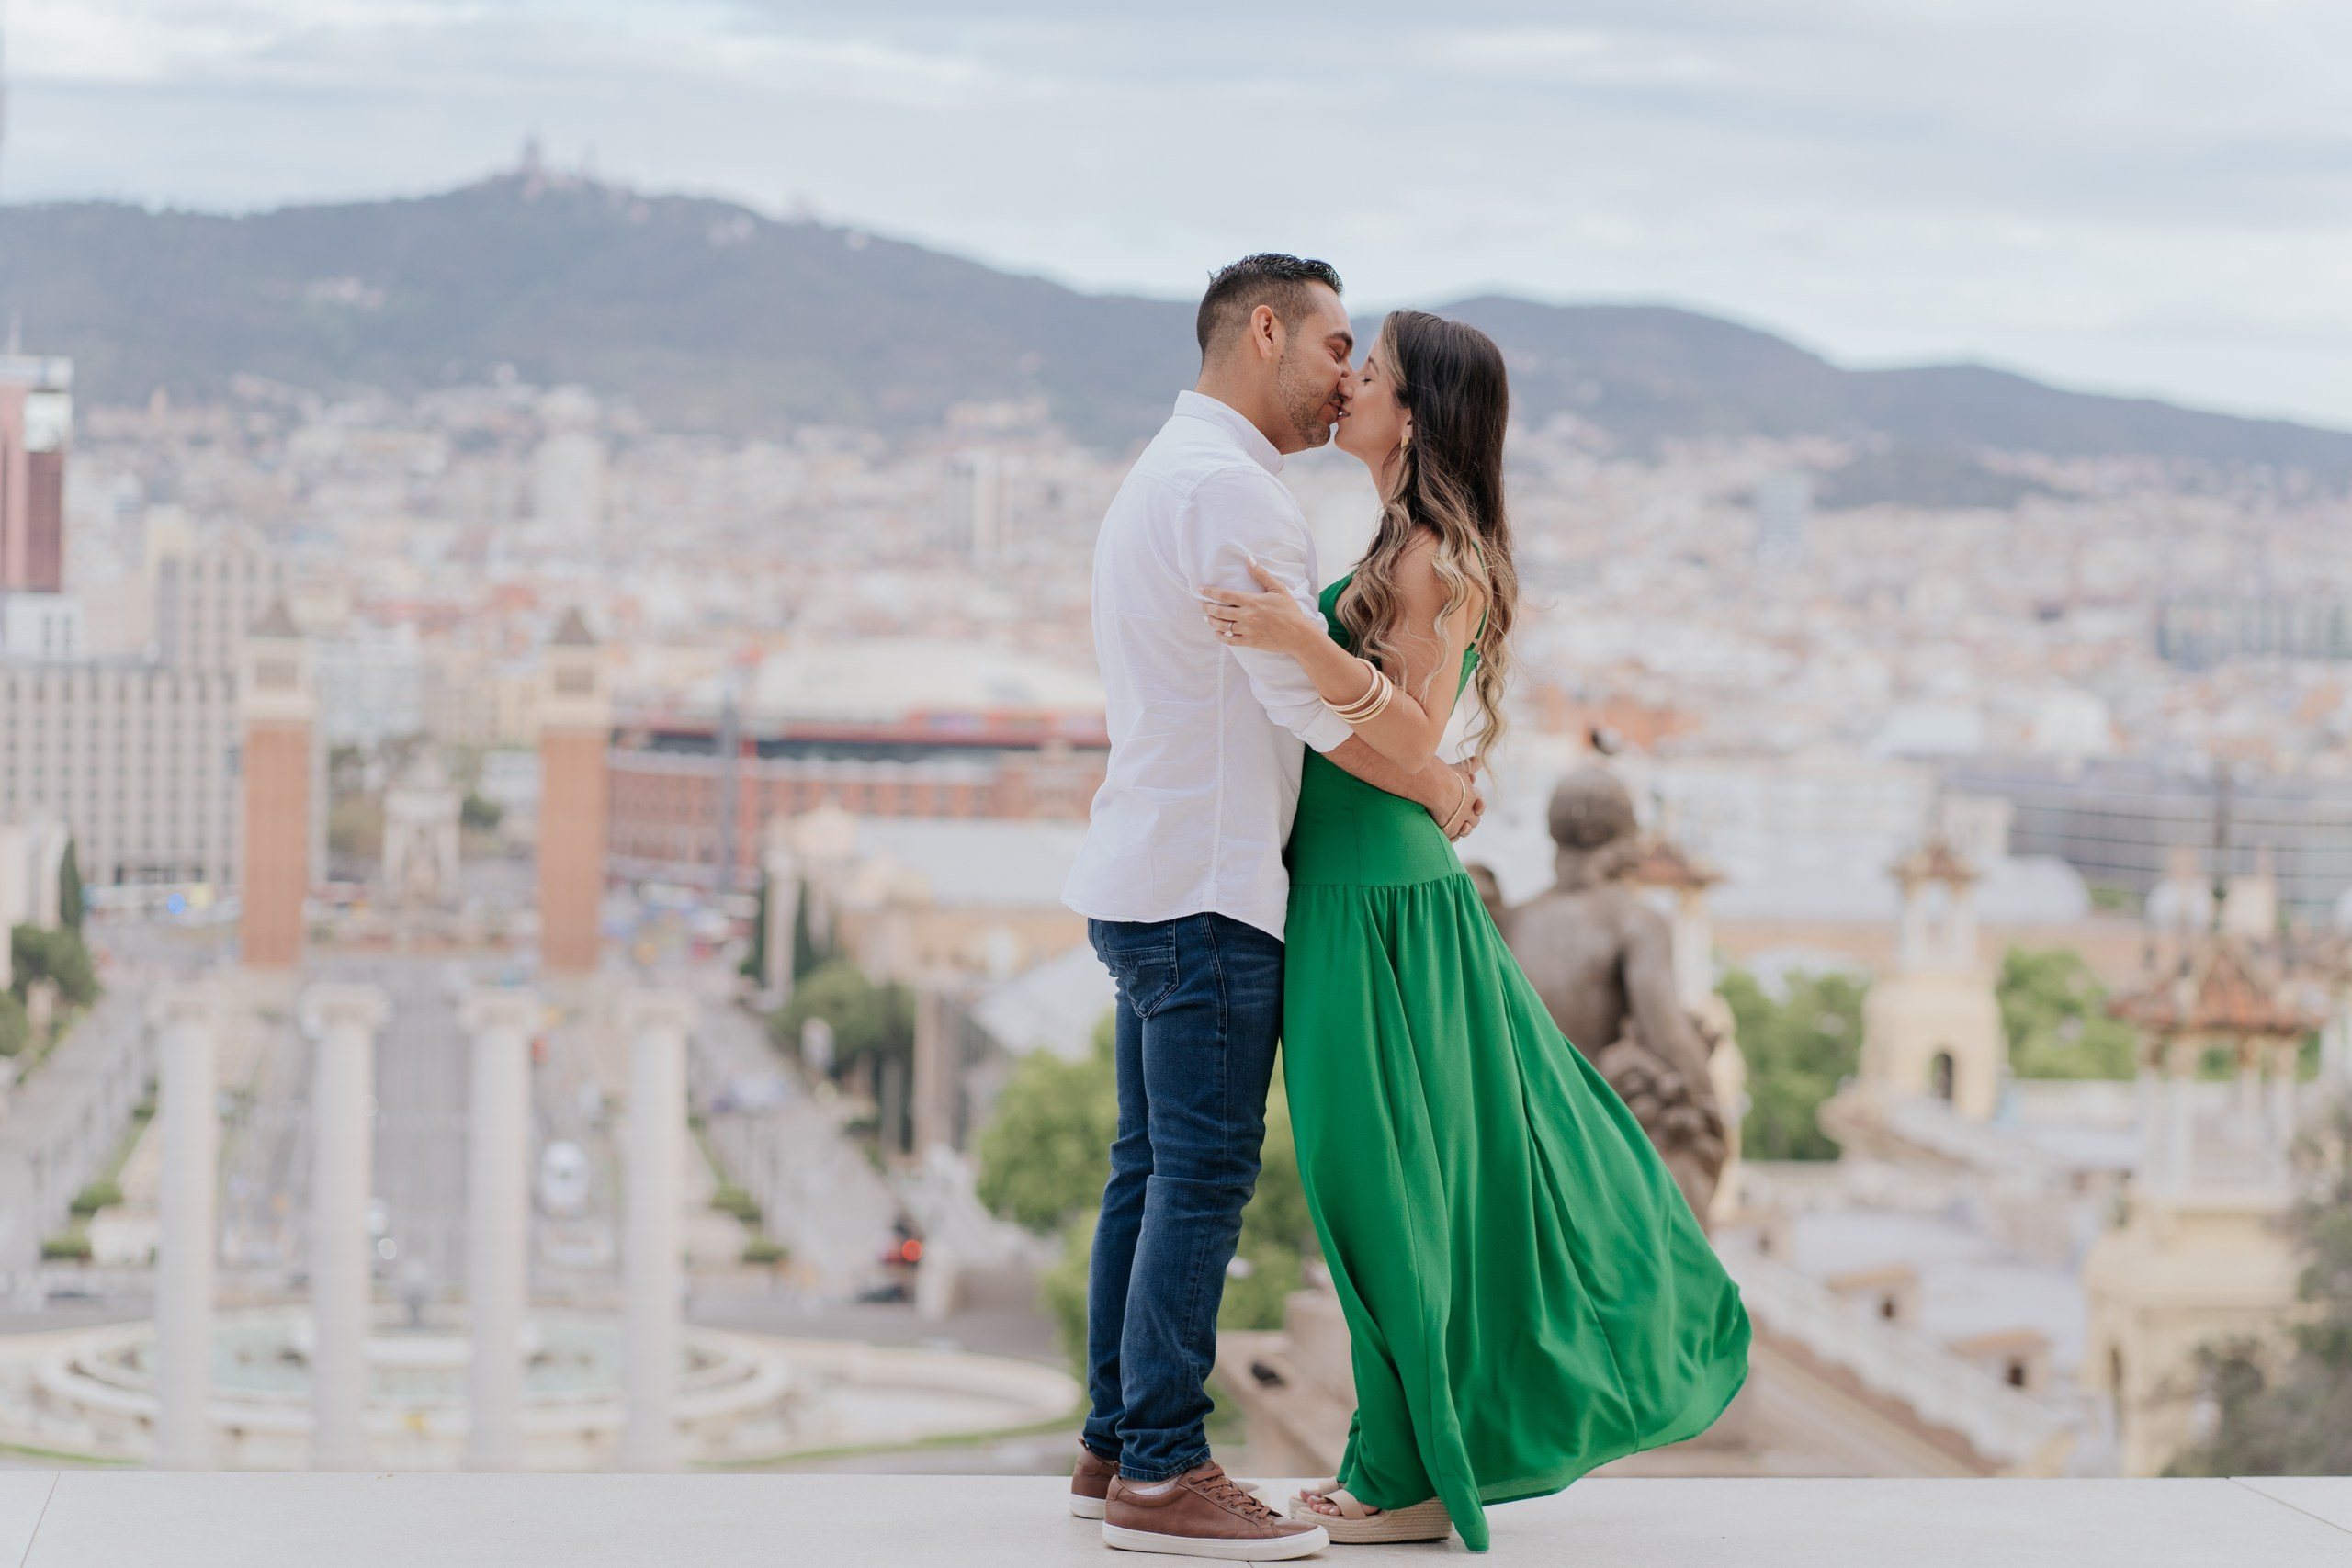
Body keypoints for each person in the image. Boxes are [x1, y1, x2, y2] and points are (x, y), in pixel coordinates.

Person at [1201, 310, 1750, 1551]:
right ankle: (1395, 1461)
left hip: (1378, 897)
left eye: (1373, 372)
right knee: (1369, 1183)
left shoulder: (1433, 557)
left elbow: (1409, 728)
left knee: (1381, 1185)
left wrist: (1299, 641)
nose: (1349, 384)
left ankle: (1398, 1476)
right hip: (1353, 882)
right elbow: (1412, 746)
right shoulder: (1397, 544)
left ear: (1414, 414)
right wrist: (1430, 772)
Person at [1061, 256, 1485, 1560]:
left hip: (1148, 869)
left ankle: (1113, 1444)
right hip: (1209, 884)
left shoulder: (1169, 471)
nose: (1346, 377)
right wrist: (1436, 779)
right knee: (1201, 1177)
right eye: (1335, 346)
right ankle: (1162, 1469)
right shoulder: (1238, 492)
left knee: (1150, 1170)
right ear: (1265, 333)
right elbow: (1301, 697)